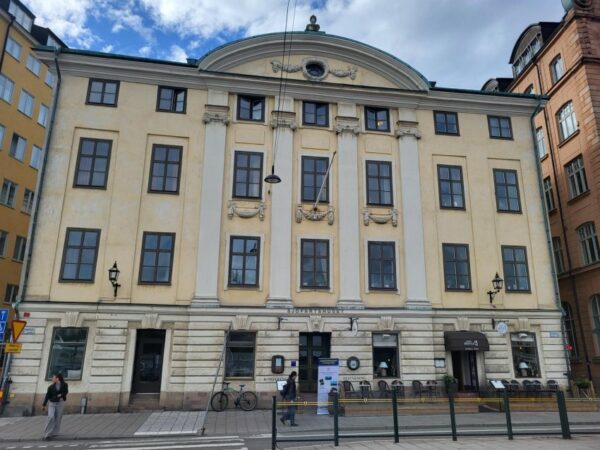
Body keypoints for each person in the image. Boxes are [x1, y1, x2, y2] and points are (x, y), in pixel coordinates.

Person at [42, 373, 68, 440]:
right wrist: (44, 405)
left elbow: (65, 392)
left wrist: (60, 395)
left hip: (60, 403)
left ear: (57, 378)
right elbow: (47, 396)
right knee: (51, 417)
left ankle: (54, 432)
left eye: (53, 378)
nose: (52, 379)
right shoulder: (51, 387)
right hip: (52, 403)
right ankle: (47, 434)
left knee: (58, 418)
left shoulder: (64, 385)